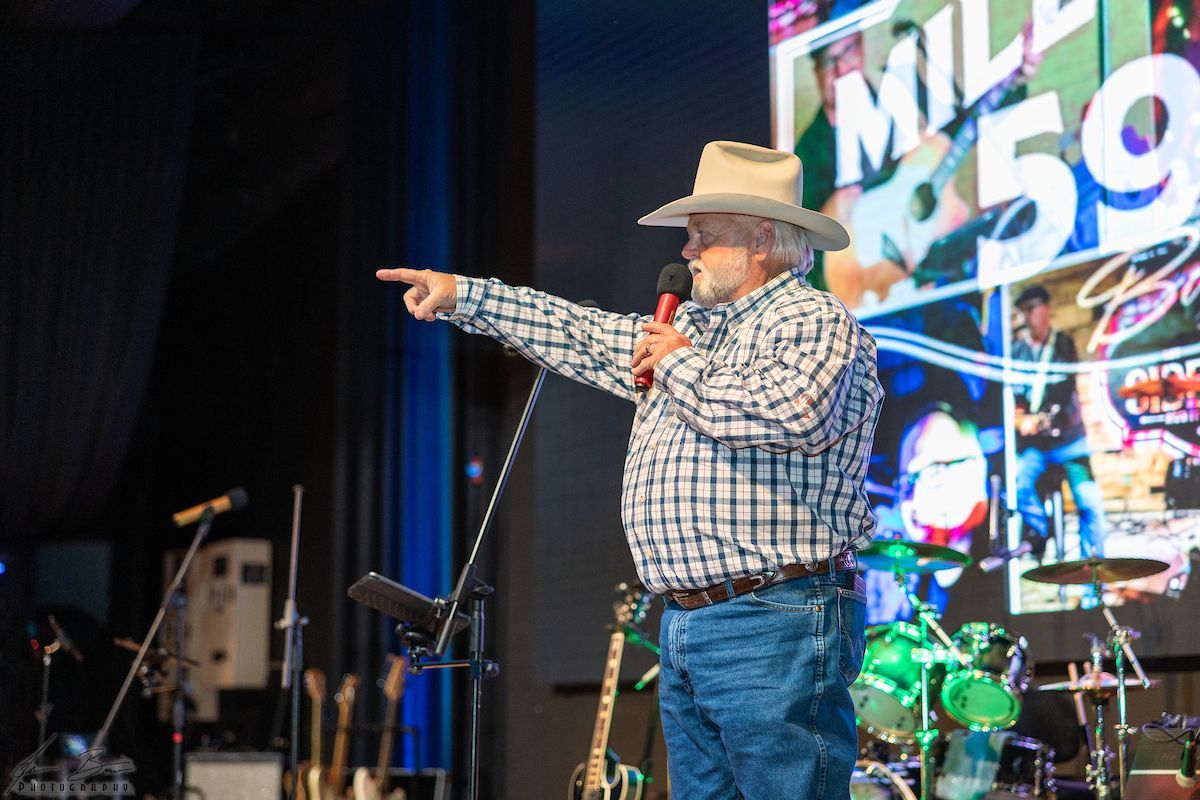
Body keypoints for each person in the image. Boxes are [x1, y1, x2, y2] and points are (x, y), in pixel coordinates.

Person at [378, 140, 884, 800]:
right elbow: (576, 331)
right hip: (686, 622)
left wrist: (674, 361)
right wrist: (463, 296)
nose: (687, 252)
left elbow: (788, 415)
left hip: (774, 616)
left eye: (705, 237)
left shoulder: (813, 319)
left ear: (762, 239)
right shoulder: (687, 332)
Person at [1011, 284, 1106, 561]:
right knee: (1018, 481)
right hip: (1037, 448)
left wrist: (1035, 421)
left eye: (1032, 309)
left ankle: (1095, 567)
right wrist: (1019, 417)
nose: (1028, 317)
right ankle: (1040, 533)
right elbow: (1016, 395)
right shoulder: (1018, 351)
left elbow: (1063, 390)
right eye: (1023, 311)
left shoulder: (1062, 343)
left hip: (1070, 443)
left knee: (1089, 502)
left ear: (1046, 309)